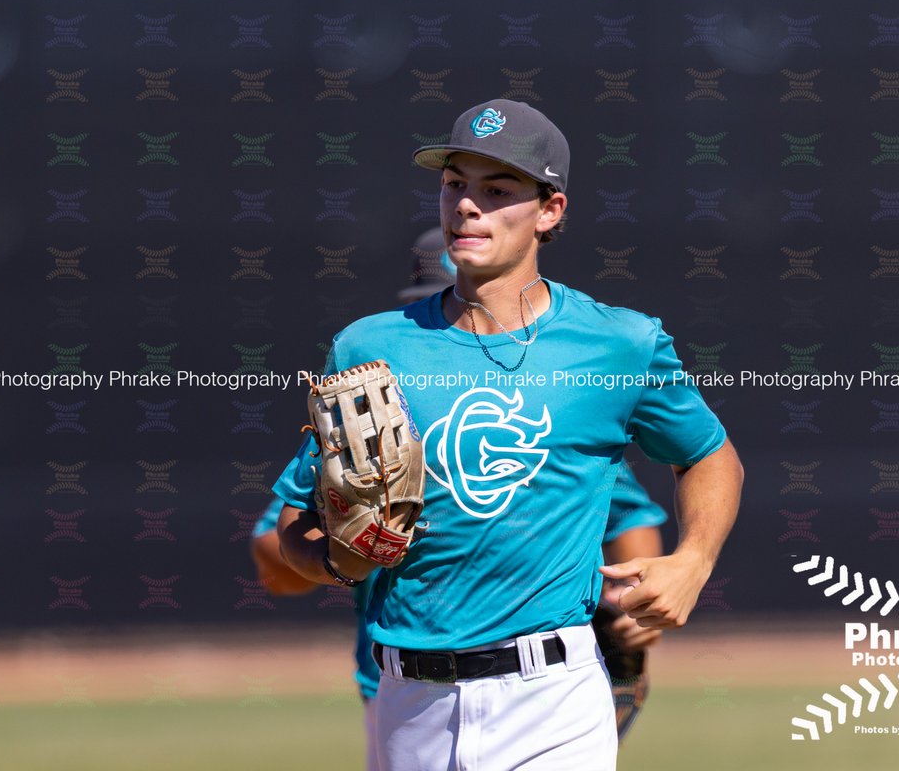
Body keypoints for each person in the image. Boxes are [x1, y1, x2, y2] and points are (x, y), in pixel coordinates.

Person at [272, 98, 744, 770]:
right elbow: (295, 521)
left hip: (551, 696)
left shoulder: (617, 345)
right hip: (407, 703)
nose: (467, 205)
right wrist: (331, 560)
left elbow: (708, 454)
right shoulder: (368, 348)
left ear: (550, 211)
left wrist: (693, 561)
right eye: (455, 184)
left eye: (497, 190)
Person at [253, 461, 667, 770]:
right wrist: (342, 552)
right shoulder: (390, 423)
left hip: (545, 686)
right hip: (402, 694)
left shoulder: (553, 410)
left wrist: (634, 595)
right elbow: (277, 551)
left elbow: (629, 516)